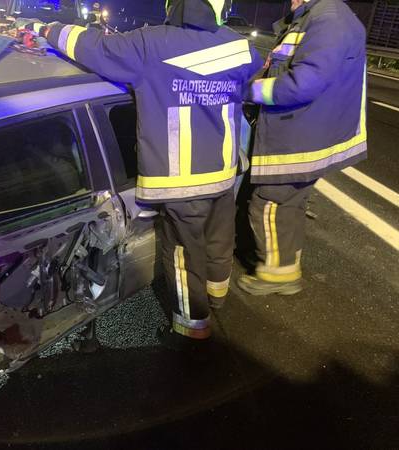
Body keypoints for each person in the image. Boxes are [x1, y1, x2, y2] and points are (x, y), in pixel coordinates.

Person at [33, 0, 263, 349]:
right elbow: (255, 67)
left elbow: (92, 46)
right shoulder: (239, 46)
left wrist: (45, 29)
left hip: (181, 181)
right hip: (222, 172)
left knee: (183, 254)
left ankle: (193, 328)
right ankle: (217, 296)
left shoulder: (149, 43)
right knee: (219, 238)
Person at [237, 0, 367, 296]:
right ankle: (287, 263)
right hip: (308, 132)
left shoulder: (329, 18)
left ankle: (275, 275)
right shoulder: (317, 16)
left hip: (301, 135)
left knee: (269, 202)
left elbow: (302, 83)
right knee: (291, 203)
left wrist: (250, 91)